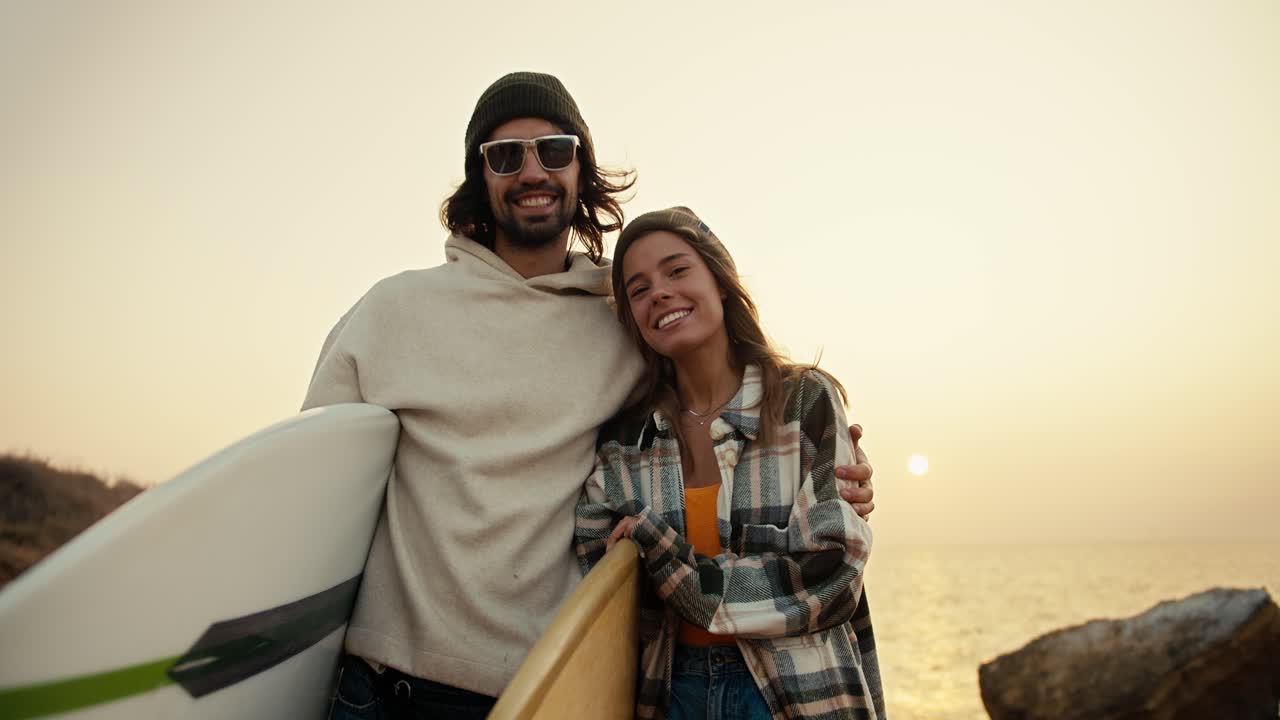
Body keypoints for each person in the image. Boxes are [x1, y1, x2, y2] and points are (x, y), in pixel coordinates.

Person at [303, 72, 876, 719]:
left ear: (581, 170)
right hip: (383, 686)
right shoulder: (391, 311)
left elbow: (732, 400)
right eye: (504, 155)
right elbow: (311, 491)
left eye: (553, 149)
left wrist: (840, 477)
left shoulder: (617, 323)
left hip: (544, 690)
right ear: (477, 177)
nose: (531, 169)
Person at [575, 206, 884, 720]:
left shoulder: (803, 401)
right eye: (639, 289)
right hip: (671, 693)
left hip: (802, 690)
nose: (660, 293)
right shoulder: (624, 441)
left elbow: (831, 574)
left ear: (719, 283)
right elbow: (598, 576)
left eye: (677, 271)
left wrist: (677, 569)